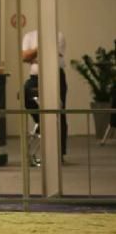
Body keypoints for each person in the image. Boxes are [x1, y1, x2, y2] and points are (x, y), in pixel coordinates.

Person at [22, 30, 68, 162]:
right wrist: (41, 47)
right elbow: (25, 57)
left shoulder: (58, 35)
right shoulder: (29, 36)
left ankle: (60, 153)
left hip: (56, 76)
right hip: (35, 77)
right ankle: (43, 123)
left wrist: (34, 56)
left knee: (59, 111)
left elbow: (52, 57)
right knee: (25, 94)